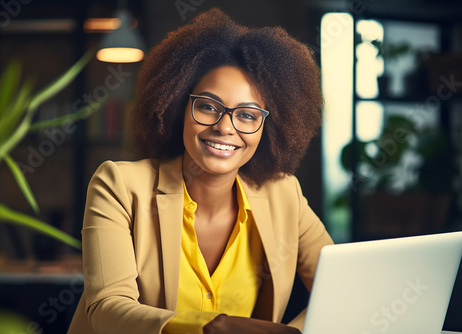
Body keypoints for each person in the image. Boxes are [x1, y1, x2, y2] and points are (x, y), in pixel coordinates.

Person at [68, 8, 333, 334]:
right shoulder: (120, 185)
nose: (225, 127)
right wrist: (208, 327)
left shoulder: (284, 194)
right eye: (208, 106)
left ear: (267, 127)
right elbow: (107, 309)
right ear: (179, 107)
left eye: (247, 115)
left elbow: (342, 286)